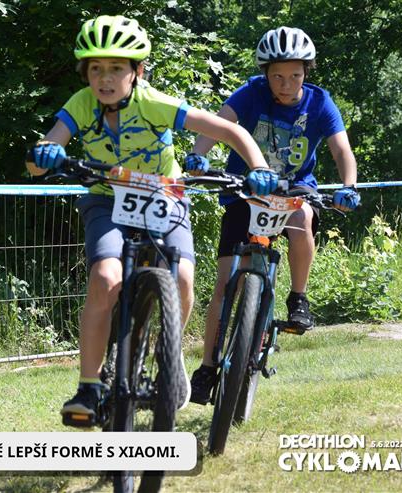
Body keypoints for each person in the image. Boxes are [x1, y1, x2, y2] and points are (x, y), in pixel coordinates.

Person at [25, 15, 275, 426]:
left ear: (137, 72)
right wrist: (44, 154)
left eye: (116, 68)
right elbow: (40, 159)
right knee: (105, 277)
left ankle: (170, 354)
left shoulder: (153, 102)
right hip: (106, 199)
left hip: (163, 195)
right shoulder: (81, 104)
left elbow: (231, 132)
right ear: (85, 73)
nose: (105, 78)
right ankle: (89, 386)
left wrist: (259, 166)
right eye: (95, 69)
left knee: (183, 277)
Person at [185, 27, 361, 405]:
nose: (286, 84)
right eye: (277, 76)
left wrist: (349, 185)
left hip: (294, 193)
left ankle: (298, 297)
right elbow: (218, 124)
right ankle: (207, 367)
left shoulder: (320, 103)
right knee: (225, 283)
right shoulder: (251, 93)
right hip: (246, 192)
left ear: (307, 72)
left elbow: (341, 150)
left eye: (295, 75)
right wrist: (199, 155)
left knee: (303, 221)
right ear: (265, 73)